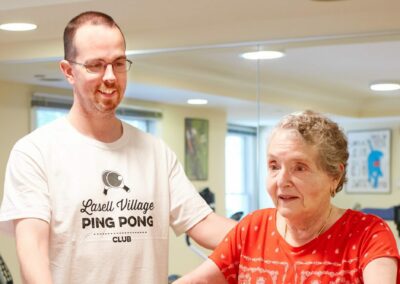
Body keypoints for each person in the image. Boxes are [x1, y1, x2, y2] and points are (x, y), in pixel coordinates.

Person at [0, 11, 236, 284]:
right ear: (68, 71)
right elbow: (34, 255)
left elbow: (204, 224)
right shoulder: (35, 152)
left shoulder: (155, 152)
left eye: (119, 63)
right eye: (96, 65)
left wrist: (275, 232)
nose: (110, 76)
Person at [174, 110, 400, 283]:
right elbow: (199, 280)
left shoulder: (368, 235)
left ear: (334, 175)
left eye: (299, 167)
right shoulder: (253, 227)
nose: (282, 180)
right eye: (274, 166)